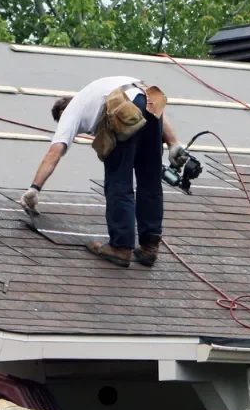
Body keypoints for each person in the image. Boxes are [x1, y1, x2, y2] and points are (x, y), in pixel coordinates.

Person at [21, 75, 187, 267]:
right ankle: (149, 247)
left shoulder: (70, 112)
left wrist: (35, 188)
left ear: (61, 111)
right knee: (150, 179)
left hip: (123, 110)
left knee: (119, 182)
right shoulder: (96, 92)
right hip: (149, 99)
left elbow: (55, 151)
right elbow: (149, 105)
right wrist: (174, 143)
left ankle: (121, 247)